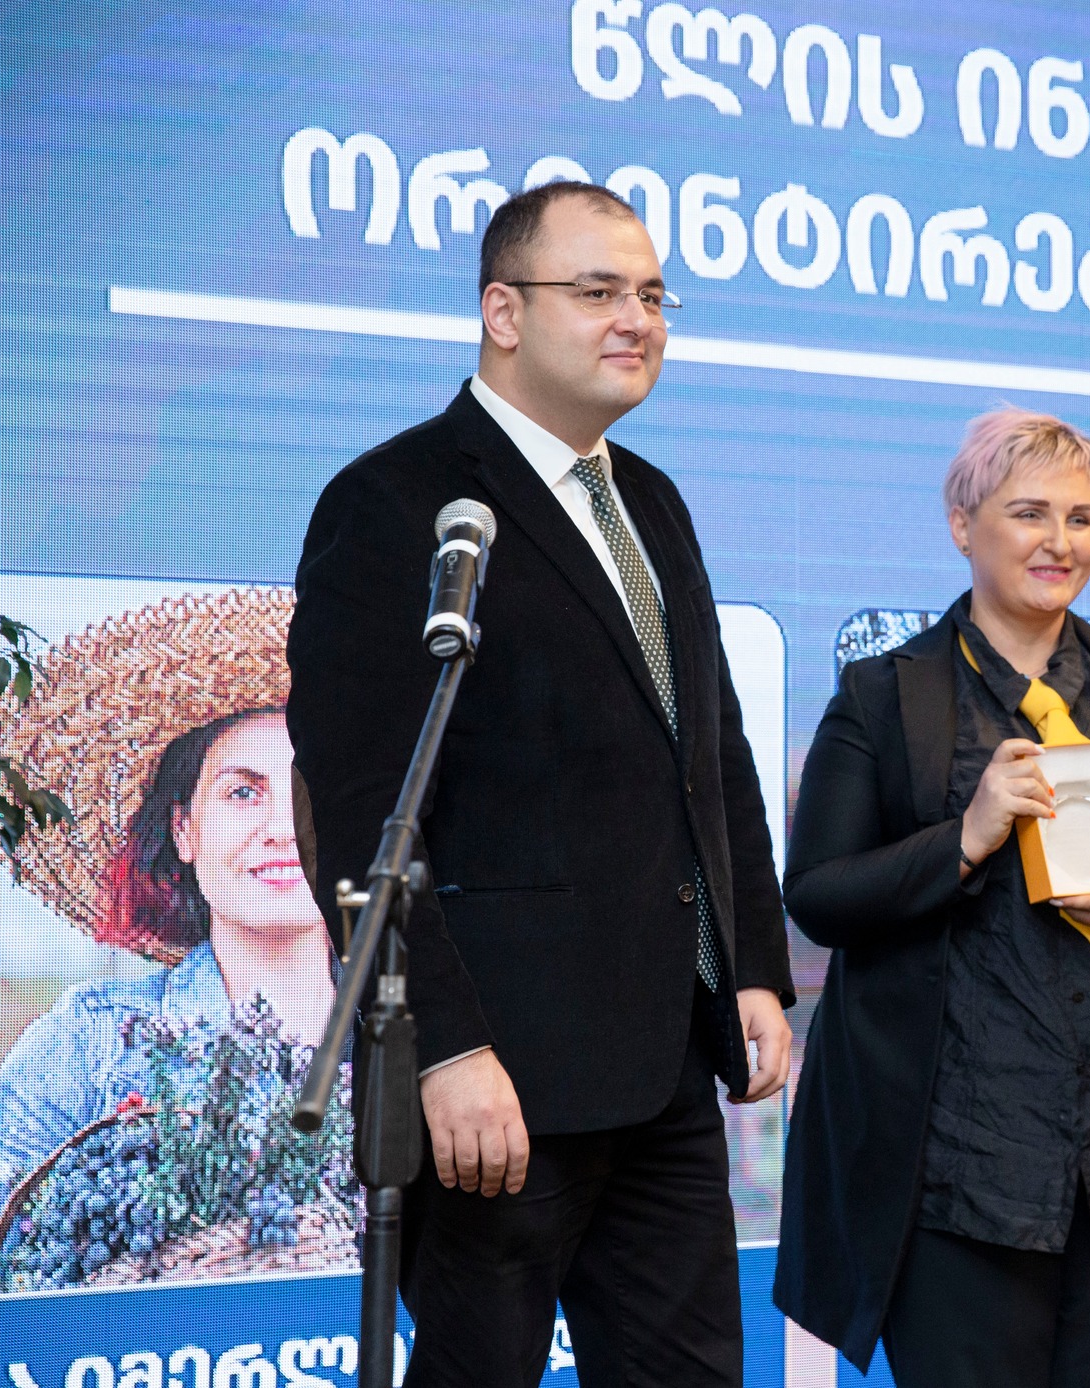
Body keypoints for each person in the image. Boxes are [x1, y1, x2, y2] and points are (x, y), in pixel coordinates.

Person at [286, 181, 794, 1387]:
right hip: (497, 1082)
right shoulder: (394, 502)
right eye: (599, 291)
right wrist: (443, 1047)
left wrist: (752, 965)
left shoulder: (650, 501)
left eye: (653, 296)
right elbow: (361, 807)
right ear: (502, 312)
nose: (637, 319)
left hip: (662, 1068)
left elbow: (709, 753)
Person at [773, 407, 1090, 1388]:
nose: (1059, 542)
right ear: (963, 524)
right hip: (959, 1171)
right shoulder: (884, 694)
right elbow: (818, 893)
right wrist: (962, 838)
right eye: (1029, 513)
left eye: (1080, 518)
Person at [0, 588, 337, 1295]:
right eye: (243, 792)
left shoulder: (431, 1043)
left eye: (309, 791)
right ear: (184, 829)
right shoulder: (89, 1045)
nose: (281, 827)